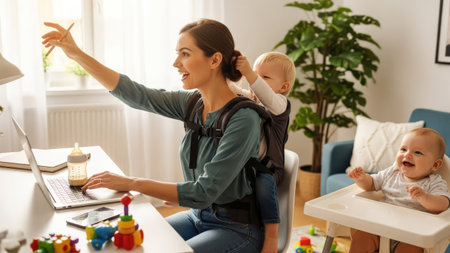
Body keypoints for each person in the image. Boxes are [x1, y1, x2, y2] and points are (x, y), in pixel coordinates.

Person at [42, 19, 264, 252]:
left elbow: (203, 192)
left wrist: (132, 182)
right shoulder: (192, 103)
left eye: (185, 54)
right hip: (197, 217)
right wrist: (75, 53)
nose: (176, 63)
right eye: (177, 54)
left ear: (215, 60)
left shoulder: (243, 118)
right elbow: (136, 95)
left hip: (237, 228)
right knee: (128, 243)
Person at [228, 52, 295, 253]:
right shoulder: (252, 100)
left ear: (284, 87)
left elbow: (266, 96)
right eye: (256, 75)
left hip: (268, 169)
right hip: (246, 165)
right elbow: (231, 89)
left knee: (263, 184)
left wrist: (249, 72)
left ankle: (272, 235)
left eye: (264, 77)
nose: (254, 80)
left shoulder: (280, 104)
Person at [347, 128, 450, 253]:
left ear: (435, 165)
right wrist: (362, 178)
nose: (407, 155)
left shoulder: (434, 182)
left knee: (411, 248)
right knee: (361, 237)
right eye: (403, 149)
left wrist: (425, 197)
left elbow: (443, 204)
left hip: (412, 235)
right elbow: (372, 184)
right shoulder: (392, 173)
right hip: (381, 227)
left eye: (417, 152)